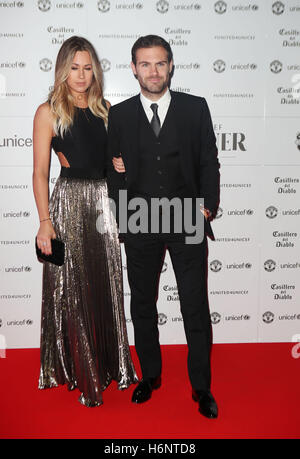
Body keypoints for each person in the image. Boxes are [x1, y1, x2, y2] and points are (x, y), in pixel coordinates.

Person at [107, 35, 220, 418]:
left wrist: (207, 208)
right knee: (142, 304)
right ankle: (149, 377)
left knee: (194, 305)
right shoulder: (119, 115)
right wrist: (123, 215)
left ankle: (201, 387)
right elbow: (112, 169)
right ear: (134, 68)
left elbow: (209, 160)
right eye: (145, 64)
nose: (153, 71)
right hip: (139, 219)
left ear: (171, 65)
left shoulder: (195, 108)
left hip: (187, 214)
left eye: (160, 63)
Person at [32, 36, 137, 407]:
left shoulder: (107, 109)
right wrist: (45, 221)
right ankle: (79, 369)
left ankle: (111, 363)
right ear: (63, 69)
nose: (81, 75)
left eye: (87, 67)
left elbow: (110, 162)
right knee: (71, 289)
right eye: (74, 67)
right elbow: (40, 172)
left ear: (96, 70)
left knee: (105, 284)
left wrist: (118, 164)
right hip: (68, 203)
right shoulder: (48, 111)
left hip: (103, 205)